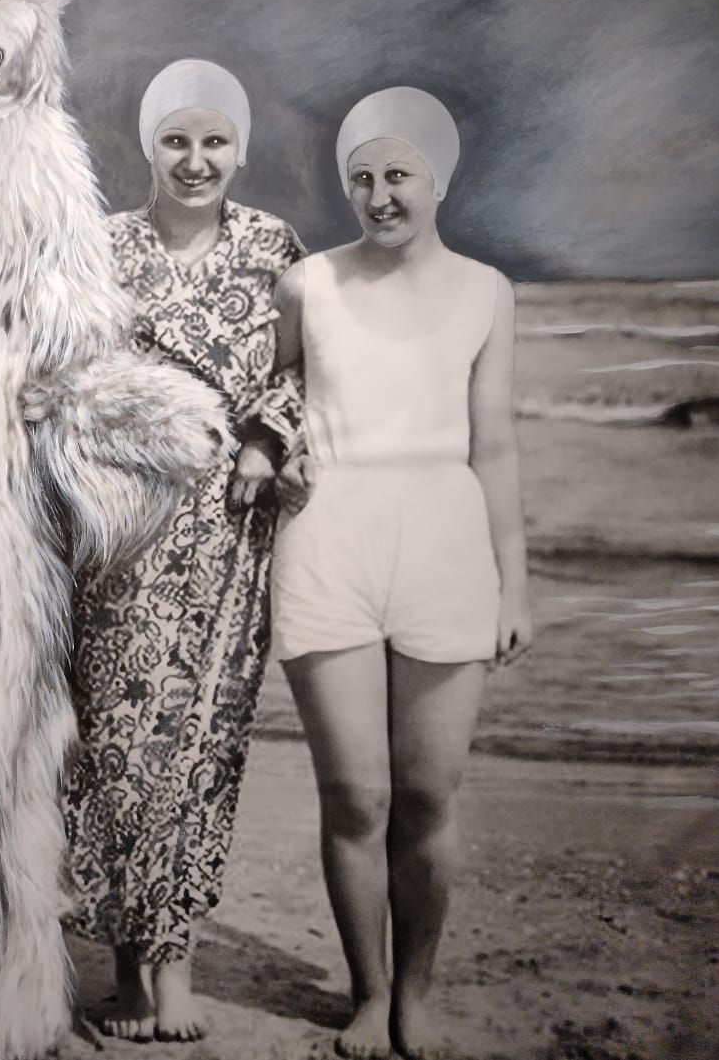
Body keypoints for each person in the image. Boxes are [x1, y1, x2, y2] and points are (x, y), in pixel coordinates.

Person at [268, 86, 532, 1060]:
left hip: (444, 549)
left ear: (439, 180)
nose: (380, 195)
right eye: (362, 178)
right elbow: (274, 399)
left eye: (398, 175)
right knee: (356, 798)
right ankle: (370, 994)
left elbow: (494, 446)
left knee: (426, 797)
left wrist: (513, 584)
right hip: (327, 545)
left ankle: (417, 992)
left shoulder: (486, 292)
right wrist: (273, 456)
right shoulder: (307, 285)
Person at [63, 59, 308, 1043]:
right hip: (123, 533)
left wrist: (265, 440)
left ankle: (170, 971)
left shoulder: (271, 247)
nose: (195, 160)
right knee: (119, 750)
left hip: (229, 533)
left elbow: (305, 368)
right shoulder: (103, 247)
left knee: (202, 745)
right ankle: (135, 978)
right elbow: (67, 376)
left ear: (238, 150)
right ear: (148, 147)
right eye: (176, 140)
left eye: (213, 142)